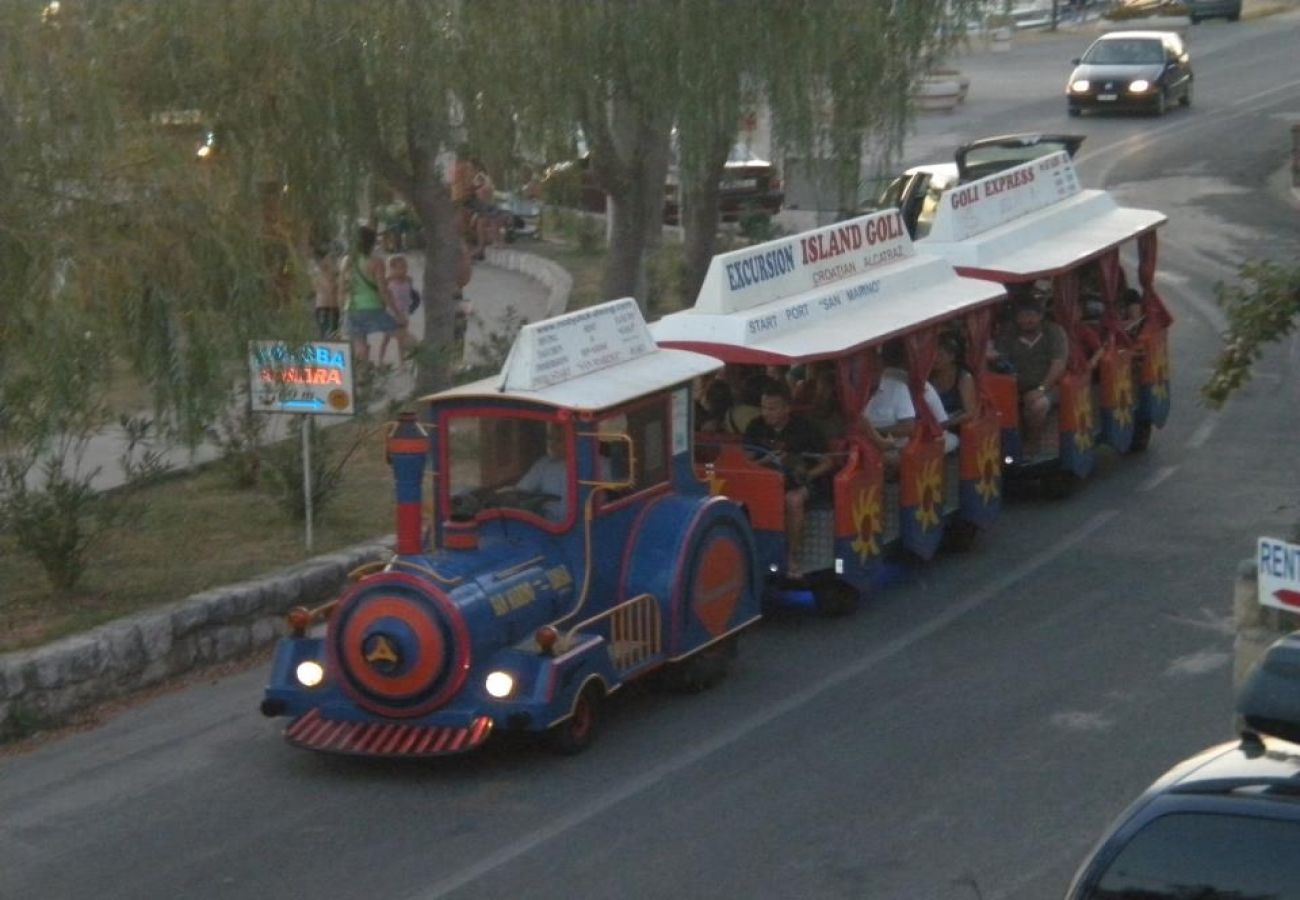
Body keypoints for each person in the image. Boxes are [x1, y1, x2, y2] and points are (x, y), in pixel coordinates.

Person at [743, 379, 837, 578]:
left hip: (801, 482)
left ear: (787, 408)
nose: (767, 413)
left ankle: (792, 558)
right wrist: (766, 460)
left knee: (793, 500)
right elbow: (745, 463)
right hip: (764, 482)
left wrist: (807, 475)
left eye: (773, 408)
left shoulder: (807, 428)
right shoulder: (755, 426)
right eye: (764, 407)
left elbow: (828, 462)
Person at [994, 295, 1069, 458]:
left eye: (1031, 315)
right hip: (1014, 388)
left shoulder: (1054, 332)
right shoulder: (1008, 335)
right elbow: (999, 360)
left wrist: (1041, 389)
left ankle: (1032, 444)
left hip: (1049, 386)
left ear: (1040, 316)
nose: (1027, 320)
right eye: (1022, 316)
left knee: (1037, 405)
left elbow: (1058, 365)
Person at [339, 225, 406, 366]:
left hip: (351, 308)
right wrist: (397, 312)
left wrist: (342, 309)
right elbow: (383, 290)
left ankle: (363, 375)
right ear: (372, 242)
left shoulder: (347, 261)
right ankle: (428, 358)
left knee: (359, 343)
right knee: (400, 333)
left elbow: (342, 288)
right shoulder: (376, 262)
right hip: (372, 306)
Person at [514, 425, 569, 520]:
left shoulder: (601, 464)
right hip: (547, 529)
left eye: (559, 440)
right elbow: (521, 491)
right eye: (550, 439)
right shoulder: (543, 464)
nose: (552, 445)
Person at [929, 332, 977, 436]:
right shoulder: (927, 376)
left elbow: (970, 412)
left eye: (940, 355)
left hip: (955, 427)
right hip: (931, 425)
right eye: (932, 355)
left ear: (952, 357)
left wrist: (946, 424)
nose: (935, 359)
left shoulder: (964, 378)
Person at [380, 255, 418, 364]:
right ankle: (381, 359)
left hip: (404, 313)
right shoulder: (389, 281)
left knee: (402, 339)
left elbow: (410, 295)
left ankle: (402, 362)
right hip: (391, 314)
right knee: (386, 339)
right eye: (400, 267)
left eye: (405, 267)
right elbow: (383, 294)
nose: (403, 270)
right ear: (392, 269)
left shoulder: (409, 280)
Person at [309, 243, 339, 340]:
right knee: (325, 336)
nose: (331, 260)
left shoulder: (332, 272)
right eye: (329, 257)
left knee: (333, 335)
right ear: (323, 259)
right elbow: (329, 288)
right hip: (323, 307)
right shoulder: (317, 272)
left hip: (333, 308)